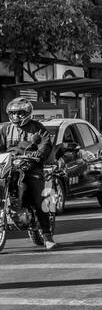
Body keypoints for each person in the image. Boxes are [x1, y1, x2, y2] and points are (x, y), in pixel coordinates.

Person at [1, 98, 55, 249]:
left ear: (27, 113)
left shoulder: (37, 128)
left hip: (31, 166)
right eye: (13, 113)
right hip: (9, 166)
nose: (16, 117)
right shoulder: (5, 129)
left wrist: (39, 154)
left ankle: (47, 235)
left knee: (38, 199)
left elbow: (46, 144)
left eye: (20, 113)